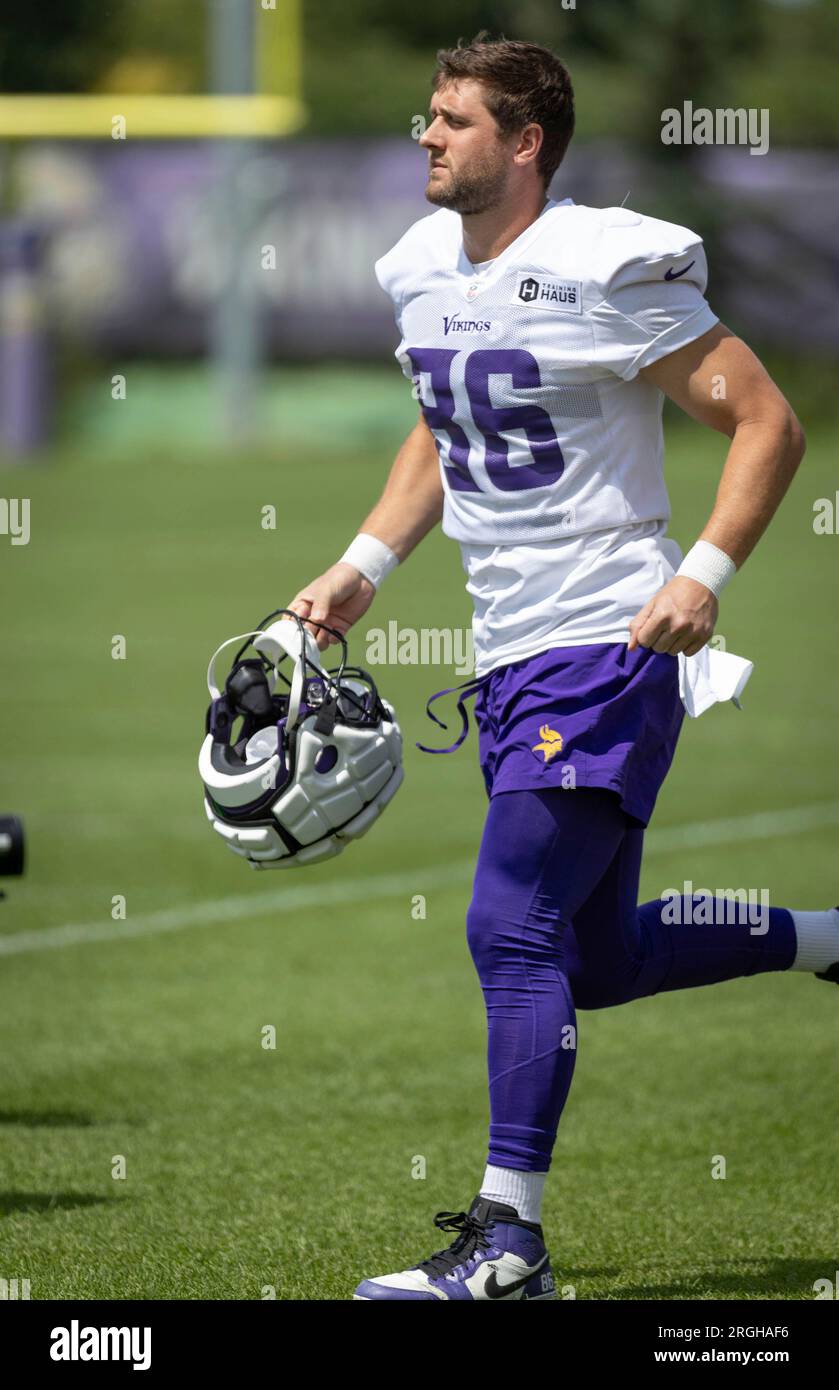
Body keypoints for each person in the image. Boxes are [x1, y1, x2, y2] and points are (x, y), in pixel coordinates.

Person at [288, 36, 827, 1302]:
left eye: (453, 119)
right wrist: (365, 562)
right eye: (425, 113)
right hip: (510, 648)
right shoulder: (425, 267)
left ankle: (507, 1242)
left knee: (506, 925)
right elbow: (448, 413)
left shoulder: (601, 266)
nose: (425, 135)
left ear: (523, 144)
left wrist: (701, 573)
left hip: (604, 638)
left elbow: (766, 419)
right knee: (594, 961)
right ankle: (824, 939)